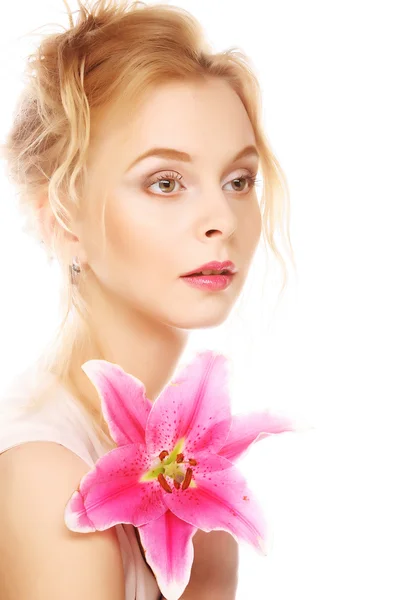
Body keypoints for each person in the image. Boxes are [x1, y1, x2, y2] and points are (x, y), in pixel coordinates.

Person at [0, 0, 295, 598]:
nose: (222, 219)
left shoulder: (184, 479)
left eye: (239, 181)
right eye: (165, 181)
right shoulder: (49, 480)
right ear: (60, 217)